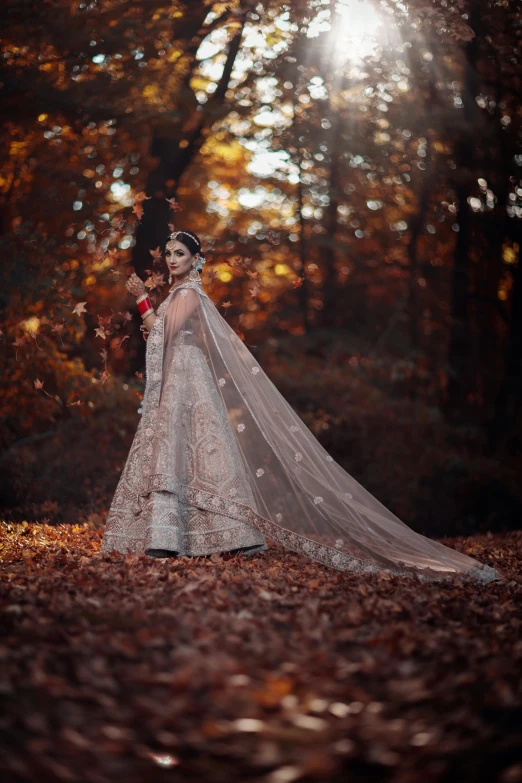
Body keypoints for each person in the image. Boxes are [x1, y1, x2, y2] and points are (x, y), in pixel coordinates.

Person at [100, 229, 503, 585]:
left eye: (180, 254)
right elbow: (159, 332)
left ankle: (221, 536)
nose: (172, 260)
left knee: (194, 446)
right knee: (179, 448)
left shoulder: (189, 293)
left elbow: (163, 333)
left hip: (187, 374)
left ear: (196, 260)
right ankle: (175, 536)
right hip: (180, 375)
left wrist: (140, 298)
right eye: (168, 253)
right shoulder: (176, 293)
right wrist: (148, 303)